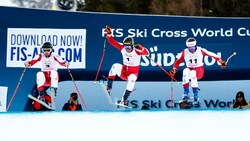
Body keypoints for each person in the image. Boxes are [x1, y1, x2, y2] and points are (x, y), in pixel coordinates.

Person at [170, 37, 227, 106]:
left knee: (192, 73)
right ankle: (186, 94)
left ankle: (195, 96)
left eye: (193, 48)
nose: (192, 50)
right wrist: (174, 69)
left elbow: (211, 54)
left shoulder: (200, 50)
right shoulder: (185, 52)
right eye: (190, 48)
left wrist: (220, 61)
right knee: (185, 71)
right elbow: (177, 62)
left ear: (195, 46)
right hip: (189, 68)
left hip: (199, 70)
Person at [104, 26, 149, 106]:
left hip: (132, 73)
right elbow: (112, 42)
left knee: (132, 79)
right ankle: (108, 88)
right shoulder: (122, 47)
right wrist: (109, 33)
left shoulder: (136, 51)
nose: (127, 49)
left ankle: (124, 99)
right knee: (115, 66)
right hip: (124, 71)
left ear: (132, 45)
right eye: (125, 46)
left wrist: (142, 49)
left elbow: (147, 53)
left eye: (128, 47)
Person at [25, 42, 69, 110]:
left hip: (52, 79)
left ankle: (53, 91)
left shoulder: (54, 56)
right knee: (39, 74)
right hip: (44, 79)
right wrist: (28, 63)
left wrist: (65, 63)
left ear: (51, 50)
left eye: (48, 50)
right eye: (44, 50)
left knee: (54, 72)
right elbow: (32, 62)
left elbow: (61, 62)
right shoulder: (40, 56)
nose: (46, 52)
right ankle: (41, 94)